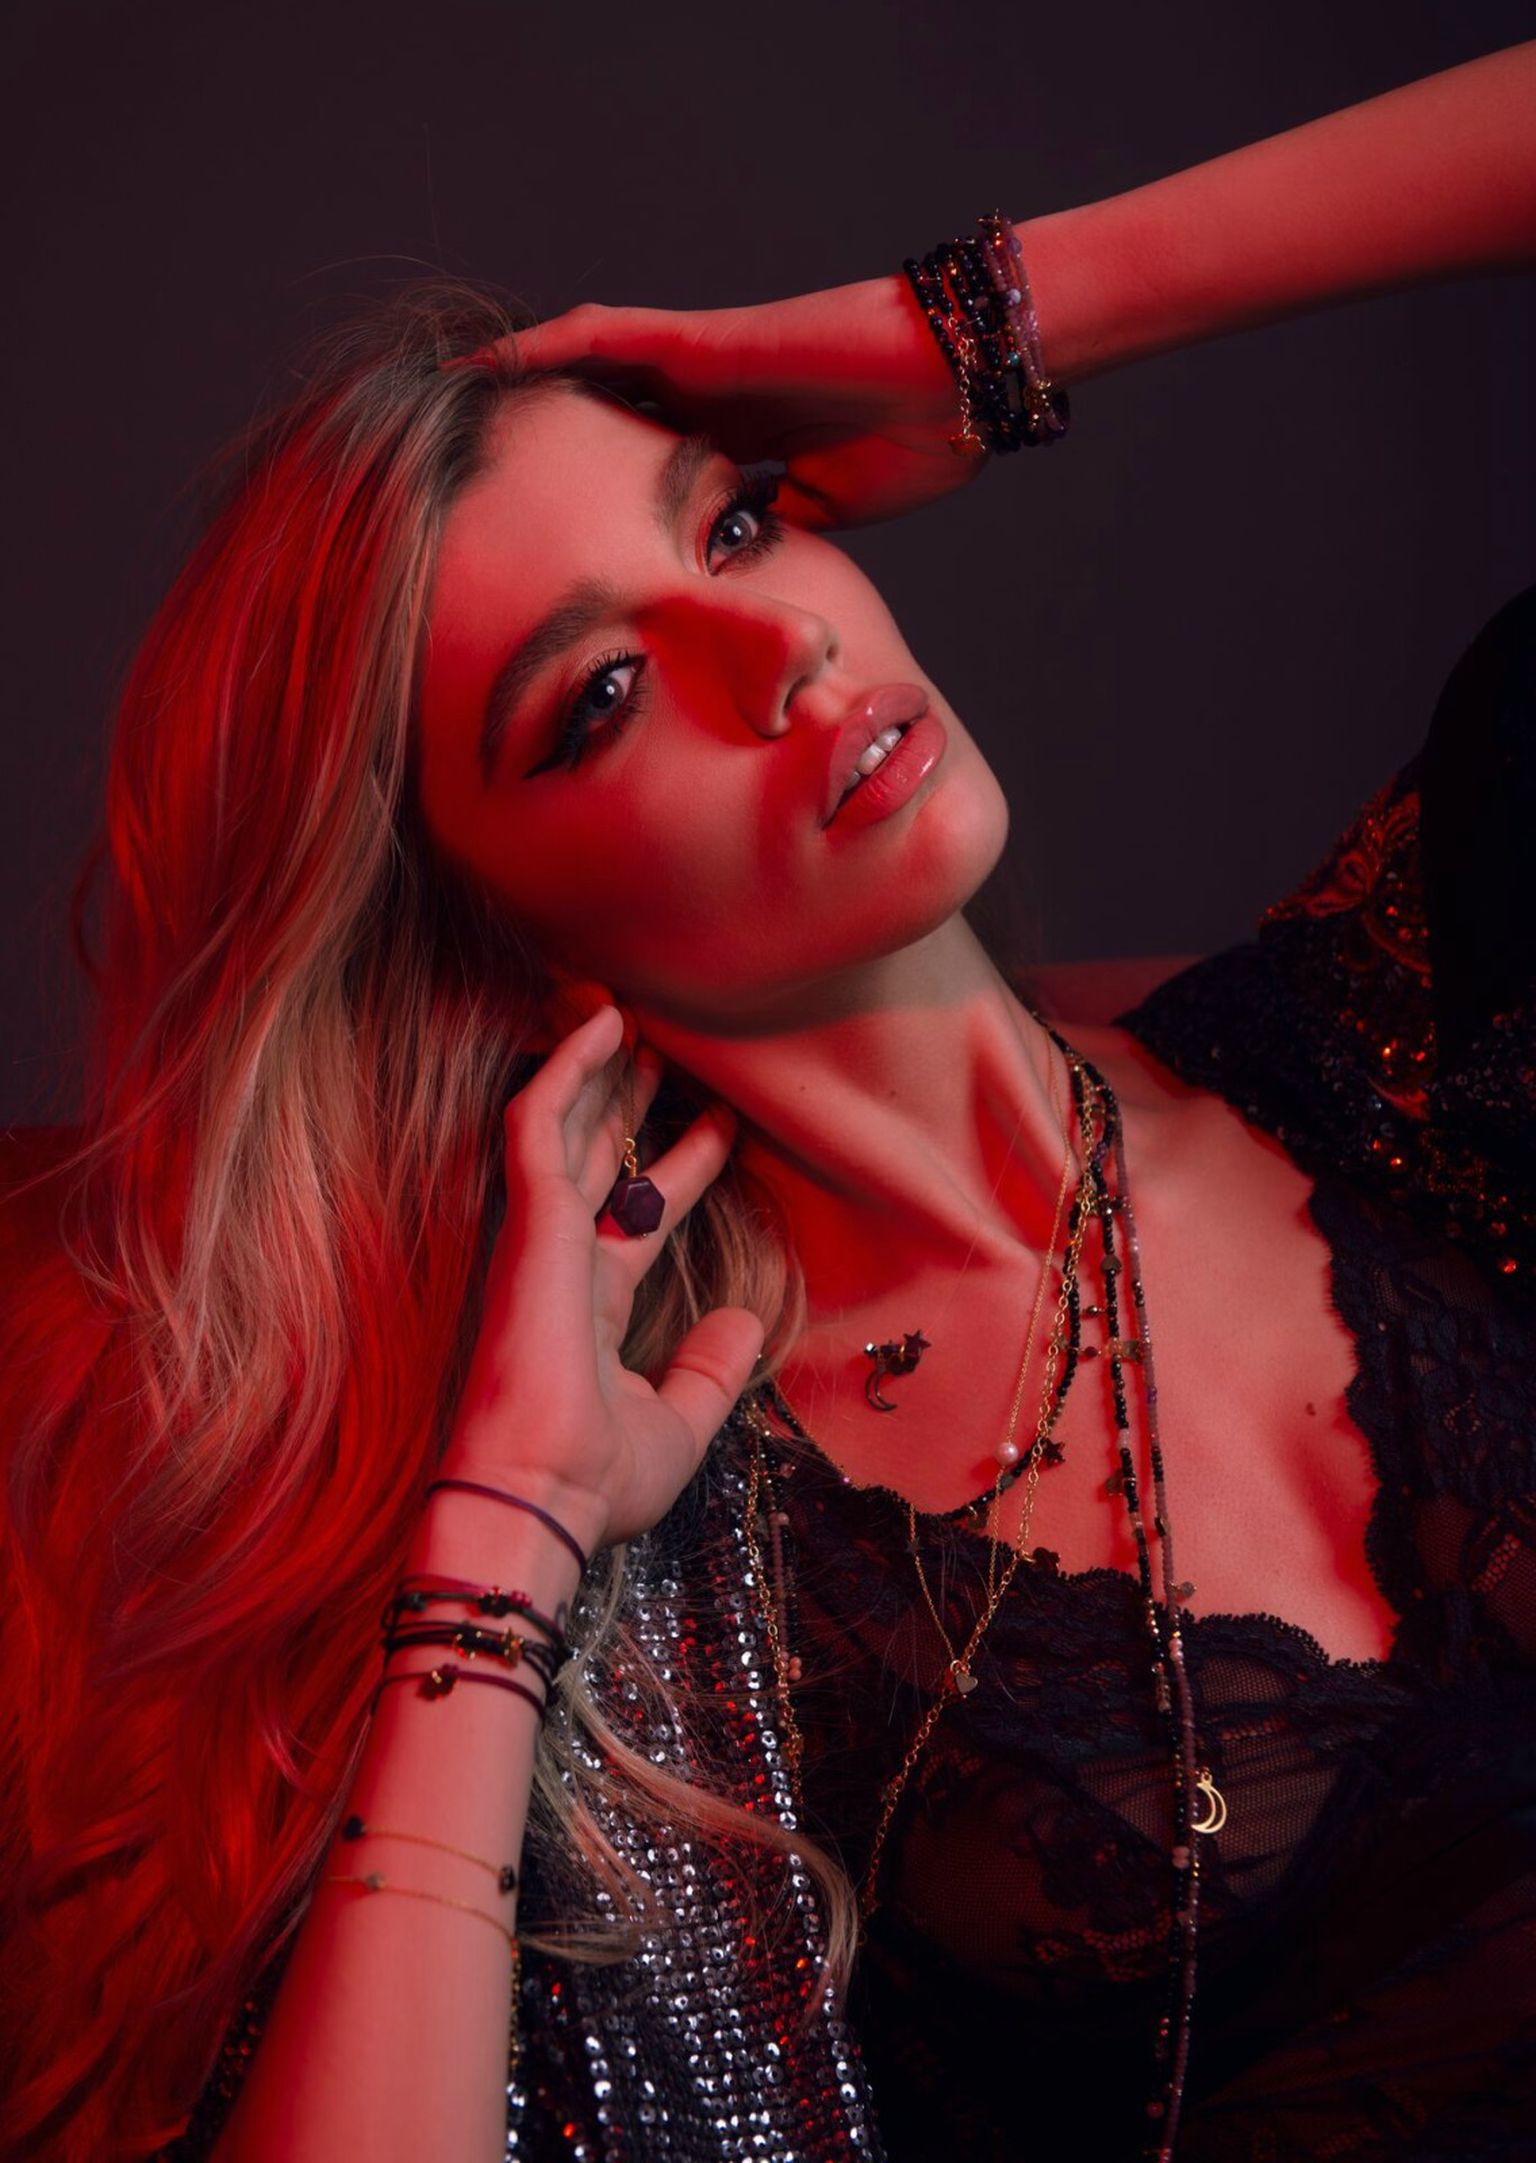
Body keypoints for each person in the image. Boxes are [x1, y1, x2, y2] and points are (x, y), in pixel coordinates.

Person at [2, 37, 1534, 2163]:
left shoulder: (1406, 1013)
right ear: (502, 944)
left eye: (734, 522)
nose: (777, 655)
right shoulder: (665, 1543)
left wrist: (983, 323)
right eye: (604, 693)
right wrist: (506, 1543)